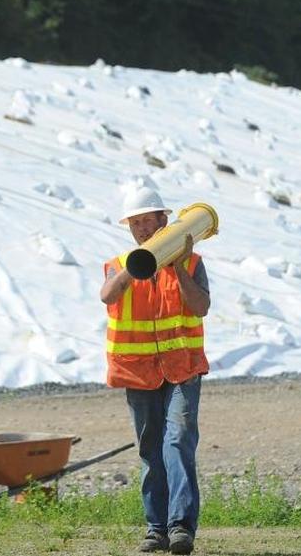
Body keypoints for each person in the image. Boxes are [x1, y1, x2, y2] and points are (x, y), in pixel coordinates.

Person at [99, 187, 211, 555]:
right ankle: (155, 528)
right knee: (150, 450)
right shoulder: (120, 263)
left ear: (164, 220)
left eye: (149, 220)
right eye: (136, 222)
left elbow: (200, 307)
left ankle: (181, 528)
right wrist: (136, 266)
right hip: (139, 372)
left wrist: (178, 266)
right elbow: (107, 295)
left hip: (182, 369)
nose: (143, 228)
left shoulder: (192, 263)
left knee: (177, 442)